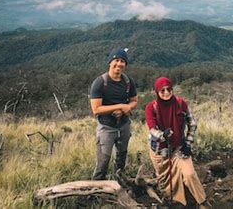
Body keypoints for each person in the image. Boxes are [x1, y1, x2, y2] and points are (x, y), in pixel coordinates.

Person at [145, 77, 207, 207]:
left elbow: (192, 124)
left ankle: (202, 202)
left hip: (179, 147)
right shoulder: (151, 107)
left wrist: (188, 143)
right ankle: (178, 202)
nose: (166, 93)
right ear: (157, 91)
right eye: (162, 90)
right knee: (166, 182)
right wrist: (163, 135)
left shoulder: (180, 103)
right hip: (159, 151)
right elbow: (152, 128)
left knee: (189, 174)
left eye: (169, 89)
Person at [89, 47, 138, 180]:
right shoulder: (100, 83)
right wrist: (120, 106)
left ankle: (119, 184)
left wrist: (126, 107)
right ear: (110, 62)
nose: (119, 64)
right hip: (106, 127)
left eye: (123, 61)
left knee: (121, 158)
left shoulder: (128, 82)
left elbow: (134, 101)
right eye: (116, 60)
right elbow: (96, 109)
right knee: (103, 162)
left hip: (123, 125)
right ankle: (95, 191)